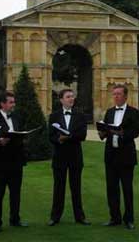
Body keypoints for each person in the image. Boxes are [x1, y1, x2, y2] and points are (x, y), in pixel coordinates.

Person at [99, 84, 139, 230]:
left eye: (118, 94)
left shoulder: (134, 112)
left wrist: (121, 134)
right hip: (110, 155)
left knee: (127, 189)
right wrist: (102, 134)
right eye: (114, 94)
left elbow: (135, 132)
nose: (115, 96)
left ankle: (129, 219)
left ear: (125, 96)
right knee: (112, 188)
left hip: (126, 155)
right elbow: (105, 130)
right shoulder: (109, 112)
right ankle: (114, 218)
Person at [0, 91, 27, 233]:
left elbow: (20, 134)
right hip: (1, 162)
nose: (13, 104)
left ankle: (15, 219)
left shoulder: (17, 117)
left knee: (16, 193)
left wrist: (23, 138)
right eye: (10, 102)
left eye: (14, 102)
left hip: (16, 161)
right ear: (2, 104)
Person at [48, 89, 90, 226]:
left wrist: (68, 136)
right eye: (68, 97)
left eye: (72, 96)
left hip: (75, 156)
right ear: (61, 100)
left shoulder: (80, 116)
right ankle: (55, 217)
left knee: (76, 188)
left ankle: (80, 217)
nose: (71, 99)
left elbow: (82, 135)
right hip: (59, 157)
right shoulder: (54, 116)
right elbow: (51, 136)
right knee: (58, 188)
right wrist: (58, 139)